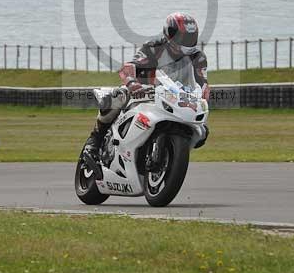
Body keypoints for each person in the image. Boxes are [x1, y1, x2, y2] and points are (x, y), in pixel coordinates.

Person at [81, 12, 210, 166]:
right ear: (170, 34)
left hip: (176, 98)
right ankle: (94, 140)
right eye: (183, 38)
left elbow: (202, 83)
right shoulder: (154, 46)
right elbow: (127, 68)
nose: (186, 42)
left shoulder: (198, 57)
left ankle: (171, 156)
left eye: (190, 38)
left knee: (202, 131)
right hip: (144, 92)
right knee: (117, 96)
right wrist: (132, 84)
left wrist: (201, 97)